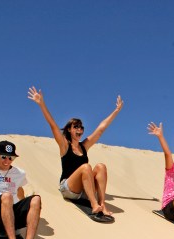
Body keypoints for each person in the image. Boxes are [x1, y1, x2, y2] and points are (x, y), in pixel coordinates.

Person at [27, 86, 122, 219]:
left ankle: (102, 204)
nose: (79, 129)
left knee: (101, 166)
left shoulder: (84, 146)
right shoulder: (64, 146)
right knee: (86, 167)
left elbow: (100, 129)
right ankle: (94, 205)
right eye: (75, 127)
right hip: (68, 188)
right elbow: (53, 125)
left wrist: (116, 110)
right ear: (69, 130)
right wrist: (42, 104)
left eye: (81, 127)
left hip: (83, 190)